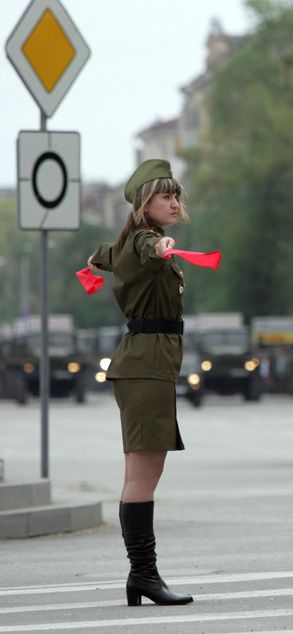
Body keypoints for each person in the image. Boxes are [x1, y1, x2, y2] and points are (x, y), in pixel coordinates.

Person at [86, 159, 194, 607]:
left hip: (147, 367)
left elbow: (102, 256)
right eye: (164, 195)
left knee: (143, 472)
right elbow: (150, 248)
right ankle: (144, 576)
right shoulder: (145, 243)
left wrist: (94, 259)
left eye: (176, 195)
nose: (174, 201)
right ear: (142, 203)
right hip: (146, 367)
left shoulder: (125, 245)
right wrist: (162, 245)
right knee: (143, 476)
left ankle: (141, 577)